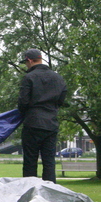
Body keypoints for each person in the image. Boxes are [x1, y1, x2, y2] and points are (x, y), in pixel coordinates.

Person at [17, 48, 67, 183]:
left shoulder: (29, 78)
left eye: (26, 63)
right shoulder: (58, 78)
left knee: (30, 162)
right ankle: (50, 194)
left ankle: (30, 193)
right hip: (51, 124)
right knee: (49, 162)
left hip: (32, 123)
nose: (26, 66)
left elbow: (23, 102)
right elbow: (61, 101)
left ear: (30, 60)